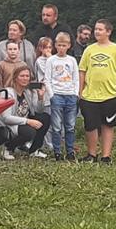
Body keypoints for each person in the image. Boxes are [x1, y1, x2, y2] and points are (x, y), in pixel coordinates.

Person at [80, 19, 116, 164]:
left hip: (110, 95)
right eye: (95, 29)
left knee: (108, 125)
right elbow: (82, 71)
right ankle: (91, 154)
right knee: (90, 126)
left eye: (100, 29)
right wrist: (80, 92)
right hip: (90, 95)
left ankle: (106, 156)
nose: (97, 32)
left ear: (108, 32)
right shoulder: (89, 50)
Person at [0, 65, 51, 156]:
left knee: (45, 117)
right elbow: (6, 118)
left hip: (21, 122)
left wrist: (41, 98)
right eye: (22, 76)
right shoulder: (7, 93)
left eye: (27, 76)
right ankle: (8, 147)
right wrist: (28, 121)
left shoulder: (27, 93)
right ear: (15, 78)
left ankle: (34, 150)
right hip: (7, 126)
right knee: (30, 132)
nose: (25, 78)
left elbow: (38, 111)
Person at [42, 32, 81, 161]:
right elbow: (47, 79)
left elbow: (76, 79)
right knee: (57, 126)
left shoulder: (72, 60)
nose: (61, 48)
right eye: (59, 45)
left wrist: (75, 94)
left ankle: (70, 151)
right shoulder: (51, 60)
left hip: (70, 95)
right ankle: (57, 150)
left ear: (69, 46)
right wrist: (52, 95)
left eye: (64, 45)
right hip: (57, 95)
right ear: (55, 45)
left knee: (70, 126)